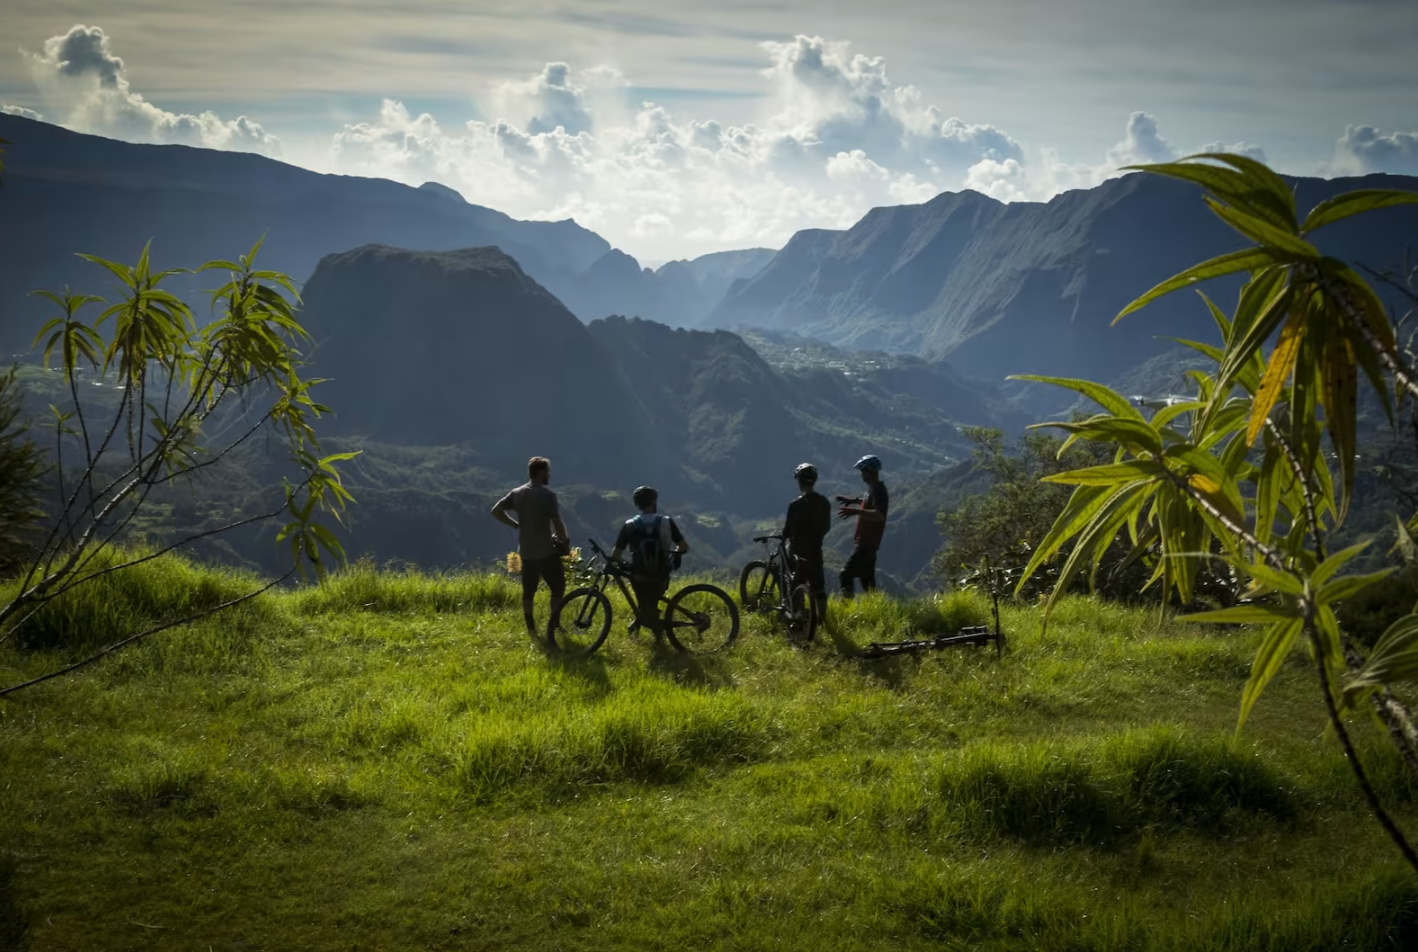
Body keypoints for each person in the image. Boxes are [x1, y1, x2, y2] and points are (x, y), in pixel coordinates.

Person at [491, 456, 570, 640]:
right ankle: (554, 624)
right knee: (558, 587)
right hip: (547, 552)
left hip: (526, 551)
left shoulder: (517, 493)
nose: (549, 475)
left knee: (528, 591)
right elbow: (557, 522)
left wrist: (515, 525)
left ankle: (531, 628)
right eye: (548, 472)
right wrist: (565, 542)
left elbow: (496, 510)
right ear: (542, 473)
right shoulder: (548, 495)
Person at [610, 486, 689, 638]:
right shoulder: (666, 522)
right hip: (660, 575)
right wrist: (676, 555)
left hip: (638, 576)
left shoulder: (630, 524)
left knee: (643, 604)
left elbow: (616, 554)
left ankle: (646, 626)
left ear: (637, 504)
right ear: (653, 501)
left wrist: (622, 563)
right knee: (652, 602)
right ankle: (654, 630)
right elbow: (683, 546)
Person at [782, 462, 832, 619]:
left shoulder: (795, 505)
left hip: (797, 551)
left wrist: (784, 538)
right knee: (819, 587)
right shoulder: (824, 502)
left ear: (799, 481)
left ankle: (797, 617)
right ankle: (822, 619)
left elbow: (787, 531)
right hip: (815, 550)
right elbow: (826, 527)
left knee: (795, 584)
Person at [837, 454, 888, 598]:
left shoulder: (879, 490)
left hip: (867, 544)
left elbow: (879, 515)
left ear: (870, 472)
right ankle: (879, 612)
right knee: (868, 586)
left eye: (862, 471)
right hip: (866, 544)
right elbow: (869, 501)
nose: (861, 475)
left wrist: (854, 511)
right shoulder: (872, 489)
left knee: (845, 575)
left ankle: (847, 609)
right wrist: (853, 501)